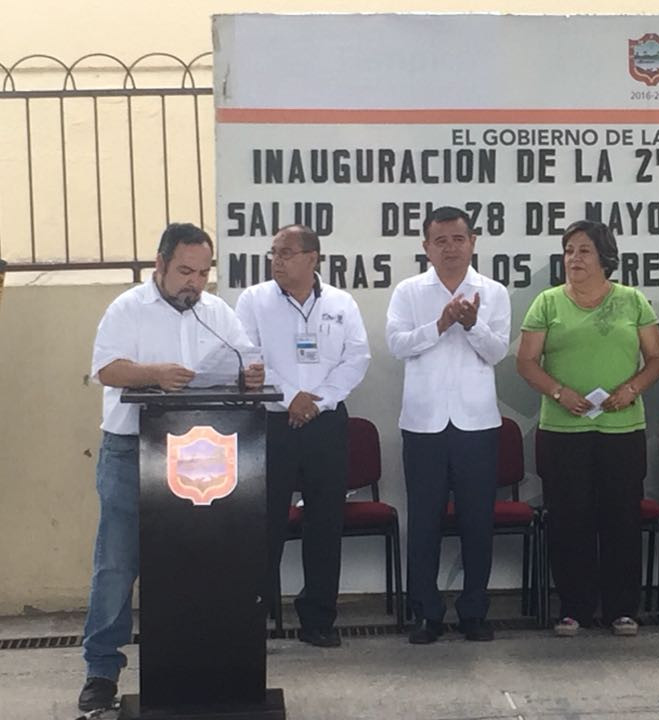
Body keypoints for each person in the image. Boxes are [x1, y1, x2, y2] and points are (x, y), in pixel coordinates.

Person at [80, 223, 264, 712]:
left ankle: (206, 661)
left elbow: (247, 358)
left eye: (203, 273)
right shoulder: (128, 308)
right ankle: (101, 669)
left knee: (202, 558)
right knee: (118, 563)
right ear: (159, 264)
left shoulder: (217, 311)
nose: (195, 283)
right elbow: (106, 370)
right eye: (185, 271)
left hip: (203, 450)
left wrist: (252, 374)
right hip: (132, 450)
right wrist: (153, 374)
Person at [516, 220, 659, 637]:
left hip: (622, 429)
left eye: (583, 251)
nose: (574, 259)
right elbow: (526, 361)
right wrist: (559, 391)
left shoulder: (632, 300)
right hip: (563, 430)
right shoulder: (547, 302)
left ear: (605, 258)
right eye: (568, 251)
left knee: (621, 517)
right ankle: (573, 608)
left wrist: (632, 388)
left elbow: (657, 357)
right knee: (569, 520)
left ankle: (622, 608)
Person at [235, 224, 370, 647]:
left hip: (326, 423)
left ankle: (318, 620)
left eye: (287, 252)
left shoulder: (341, 303)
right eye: (274, 252)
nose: (277, 259)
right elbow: (248, 357)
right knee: (265, 524)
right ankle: (253, 619)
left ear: (313, 258)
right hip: (273, 423)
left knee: (325, 524)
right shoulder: (254, 300)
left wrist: (319, 401)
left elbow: (356, 357)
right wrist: (292, 398)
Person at [386, 206, 511, 644]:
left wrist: (473, 325)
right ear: (426, 248)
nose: (450, 248)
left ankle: (474, 610)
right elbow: (397, 344)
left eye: (458, 239)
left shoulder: (492, 291)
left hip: (477, 425)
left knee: (478, 522)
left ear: (473, 242)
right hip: (424, 425)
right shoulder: (408, 291)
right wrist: (440, 324)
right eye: (440, 241)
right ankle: (427, 612)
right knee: (424, 522)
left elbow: (497, 353)